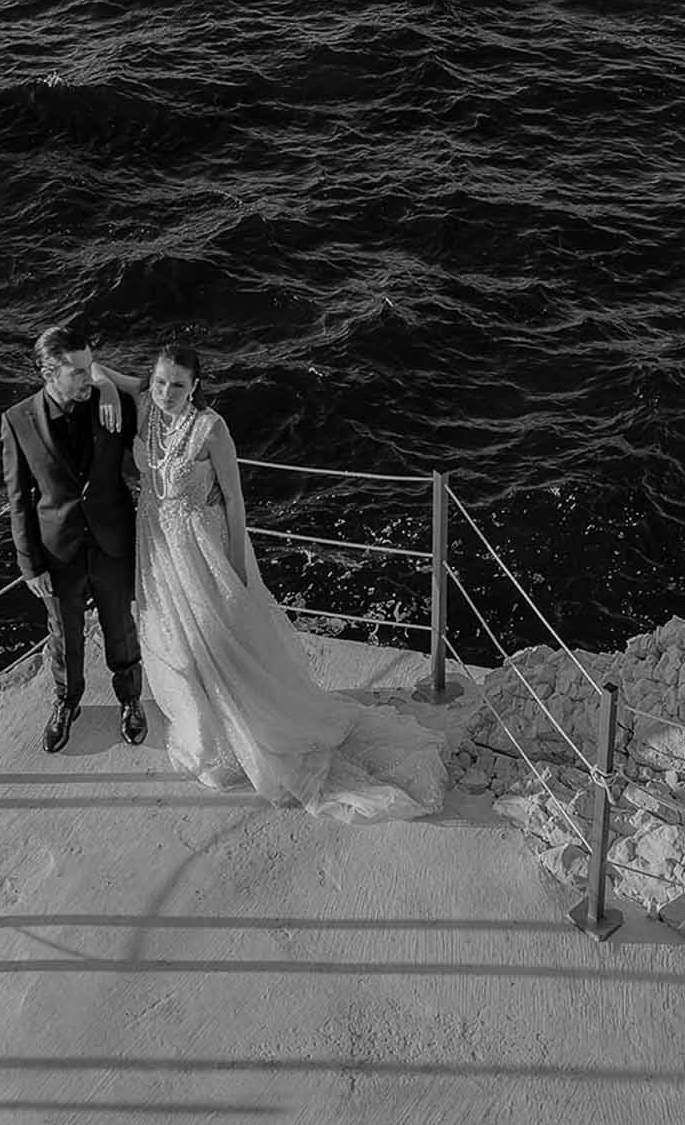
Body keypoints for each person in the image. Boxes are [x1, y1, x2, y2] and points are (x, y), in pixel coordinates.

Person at [93, 341, 448, 822]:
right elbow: (97, 367)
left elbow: (236, 504)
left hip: (201, 548)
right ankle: (203, 719)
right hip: (157, 546)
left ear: (195, 385)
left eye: (178, 384)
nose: (167, 392)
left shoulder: (210, 429)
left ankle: (244, 725)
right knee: (175, 639)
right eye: (159, 381)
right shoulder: (146, 406)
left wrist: (238, 570)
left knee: (222, 640)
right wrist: (107, 390)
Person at [0, 321, 147, 754]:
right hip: (57, 548)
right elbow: (18, 498)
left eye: (90, 368)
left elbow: (154, 394)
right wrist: (29, 564)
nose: (88, 377)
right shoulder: (17, 420)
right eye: (78, 372)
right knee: (64, 634)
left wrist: (102, 383)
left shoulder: (112, 403)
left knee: (121, 628)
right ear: (49, 373)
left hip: (112, 541)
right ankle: (67, 702)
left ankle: (130, 700)